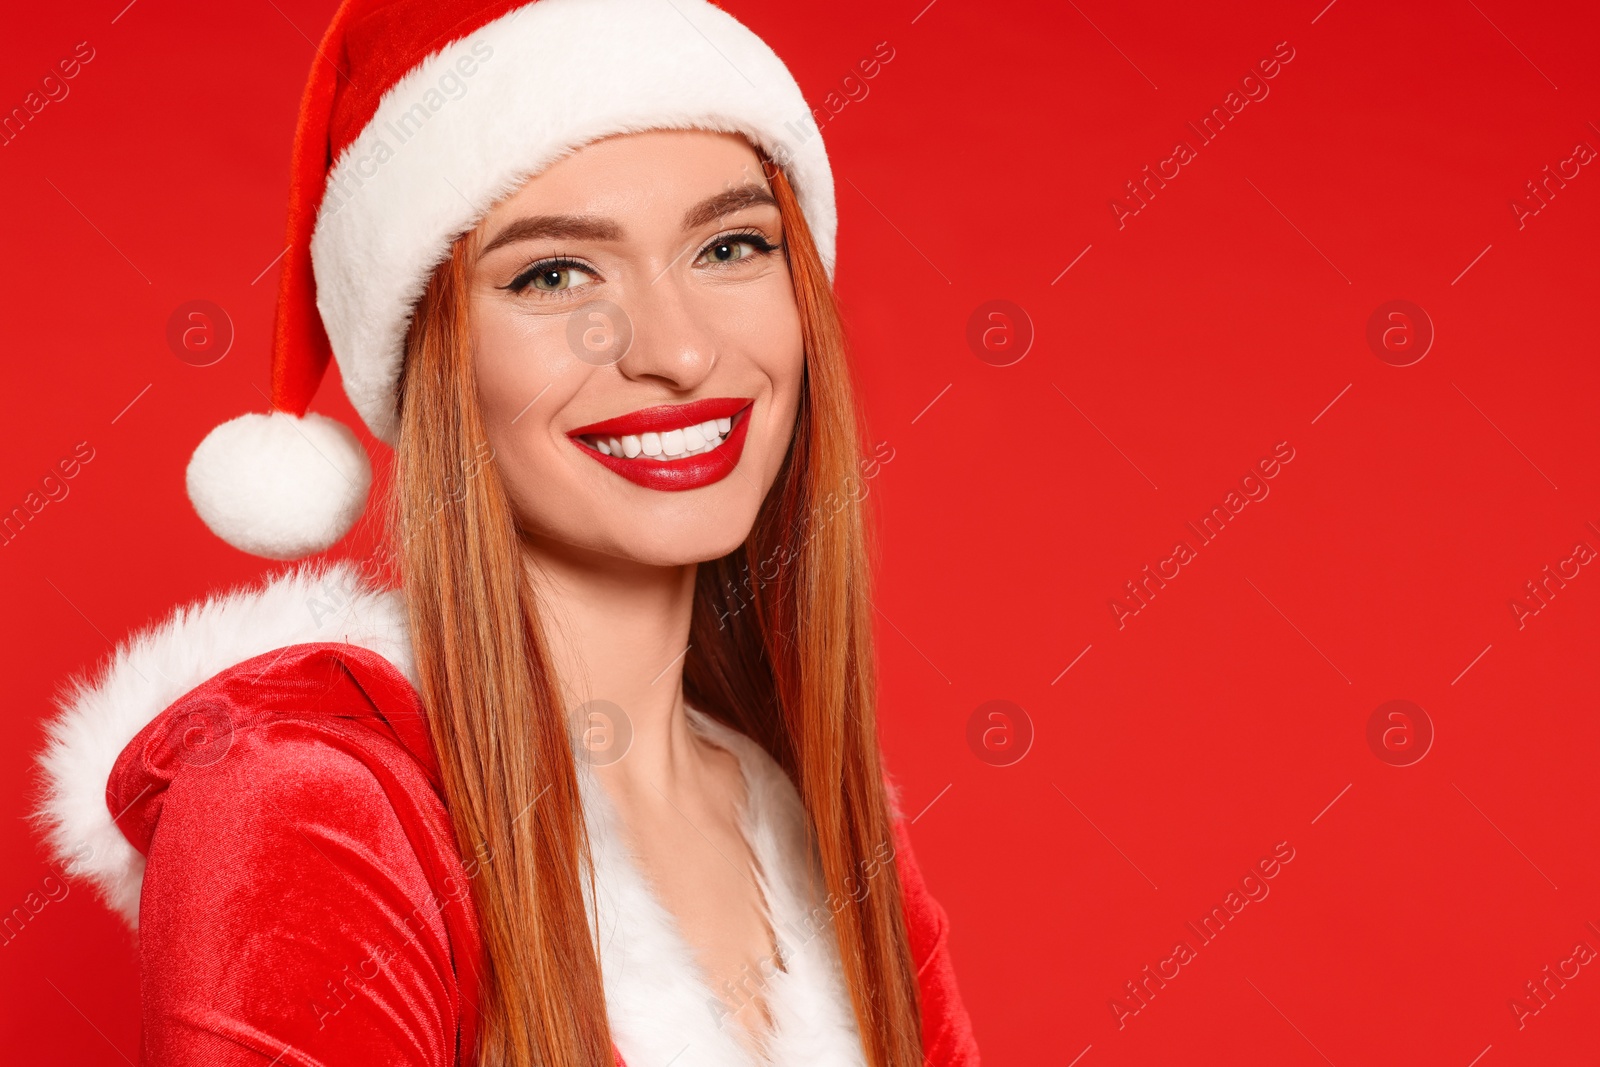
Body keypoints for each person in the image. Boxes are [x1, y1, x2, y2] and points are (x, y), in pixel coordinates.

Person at [32, 1, 980, 1065]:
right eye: (553, 274)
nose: (675, 350)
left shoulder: (822, 818)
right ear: (435, 363)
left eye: (730, 245)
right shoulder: (305, 806)